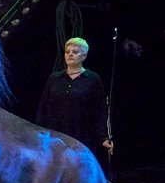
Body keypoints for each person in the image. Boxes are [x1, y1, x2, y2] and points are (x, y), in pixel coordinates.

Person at [35, 36, 113, 169]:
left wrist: (103, 137)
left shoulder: (92, 79)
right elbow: (44, 107)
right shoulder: (54, 78)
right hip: (56, 137)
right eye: (67, 51)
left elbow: (100, 110)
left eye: (75, 52)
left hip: (81, 136)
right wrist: (38, 132)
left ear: (84, 56)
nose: (70, 54)